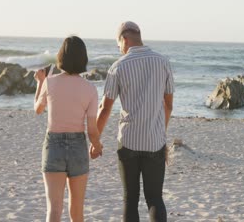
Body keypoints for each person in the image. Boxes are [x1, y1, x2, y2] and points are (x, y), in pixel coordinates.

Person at [96, 21, 174, 222]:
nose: (119, 49)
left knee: (130, 199)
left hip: (128, 140)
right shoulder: (163, 62)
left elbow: (105, 109)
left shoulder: (118, 67)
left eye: (118, 45)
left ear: (125, 39)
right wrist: (161, 133)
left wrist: (94, 140)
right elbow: (168, 105)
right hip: (155, 141)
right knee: (155, 198)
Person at [34, 36, 103, 222]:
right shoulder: (90, 89)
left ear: (61, 56)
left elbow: (38, 109)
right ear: (83, 59)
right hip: (77, 147)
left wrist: (40, 81)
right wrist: (97, 146)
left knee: (54, 210)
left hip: (54, 145)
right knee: (77, 211)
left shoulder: (50, 82)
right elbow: (92, 130)